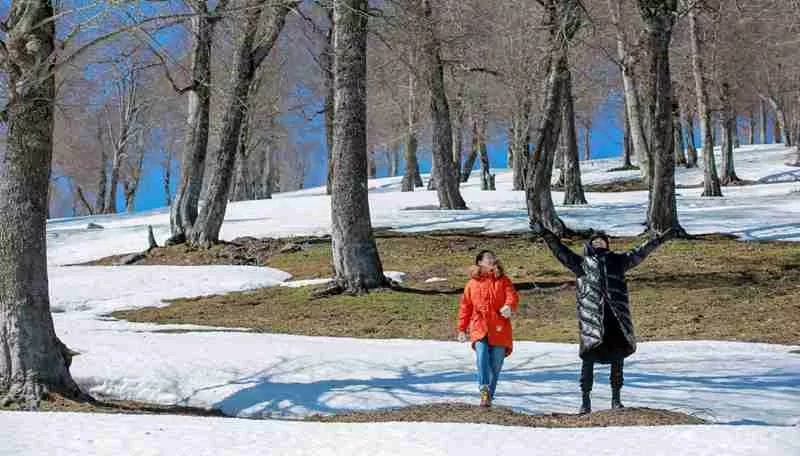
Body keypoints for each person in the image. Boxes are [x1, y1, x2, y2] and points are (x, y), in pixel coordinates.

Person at [530, 221, 675, 414]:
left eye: (602, 241)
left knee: (618, 358)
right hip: (592, 320)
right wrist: (546, 234)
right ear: (589, 245)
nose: (599, 243)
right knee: (588, 359)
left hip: (615, 318)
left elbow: (641, 252)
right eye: (595, 241)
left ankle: (616, 399)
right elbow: (560, 251)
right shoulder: (581, 263)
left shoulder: (618, 261)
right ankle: (585, 401)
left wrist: (661, 238)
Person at [457, 250, 519, 407]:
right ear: (480, 262)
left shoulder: (503, 280)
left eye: (493, 257)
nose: (492, 260)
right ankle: (484, 389)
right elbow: (466, 307)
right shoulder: (472, 284)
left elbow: (512, 296)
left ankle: (489, 395)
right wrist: (462, 329)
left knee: (496, 363)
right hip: (479, 325)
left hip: (499, 327)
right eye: (488, 258)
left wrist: (509, 306)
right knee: (482, 355)